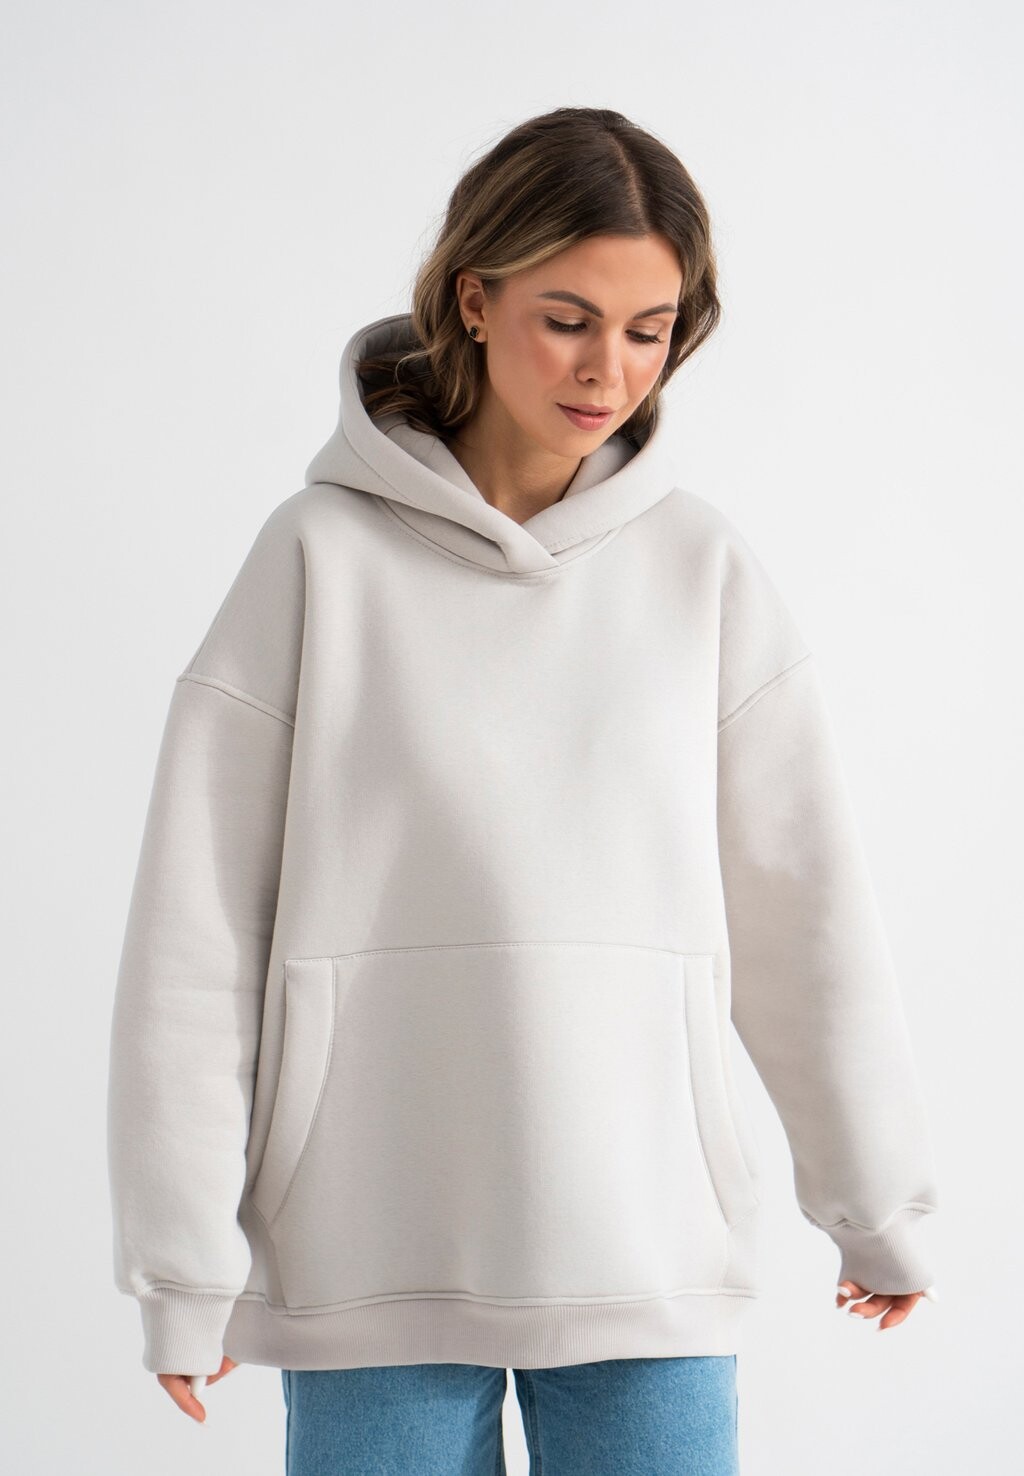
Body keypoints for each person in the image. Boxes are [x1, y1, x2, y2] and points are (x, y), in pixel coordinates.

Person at [105, 106, 939, 1474]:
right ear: (473, 299)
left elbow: (807, 913)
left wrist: (875, 1203)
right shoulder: (315, 559)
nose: (610, 369)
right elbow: (198, 934)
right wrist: (183, 1266)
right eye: (568, 319)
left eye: (649, 329)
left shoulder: (702, 572)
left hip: (648, 1250)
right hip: (372, 1253)